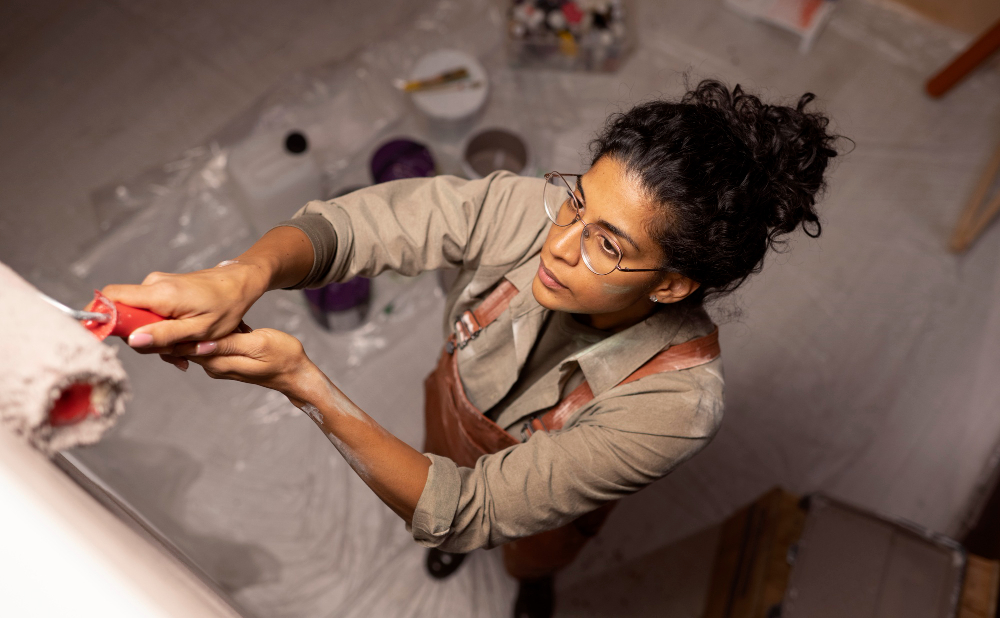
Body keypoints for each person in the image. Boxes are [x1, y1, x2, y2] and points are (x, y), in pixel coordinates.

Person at [104, 80, 838, 618]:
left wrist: (307, 384)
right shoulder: (539, 210)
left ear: (675, 286)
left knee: (532, 546)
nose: (557, 243)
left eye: (606, 243)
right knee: (433, 465)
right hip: (449, 411)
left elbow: (468, 508)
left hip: (527, 503)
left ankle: (533, 583)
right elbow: (367, 224)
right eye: (579, 200)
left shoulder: (675, 406)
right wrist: (247, 272)